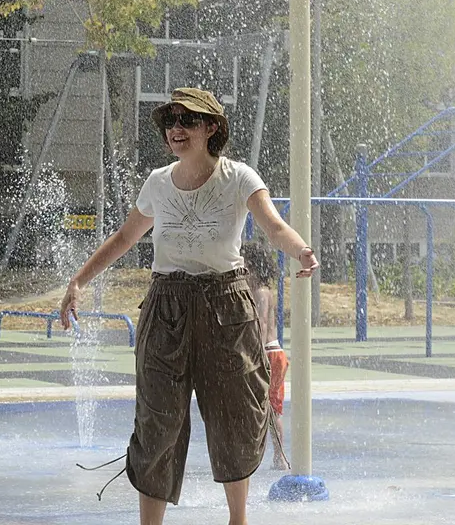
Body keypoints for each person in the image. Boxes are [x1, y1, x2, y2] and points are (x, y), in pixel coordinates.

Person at [59, 87, 318, 525]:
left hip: (226, 306)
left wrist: (302, 251)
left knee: (235, 416)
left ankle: (239, 519)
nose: (175, 130)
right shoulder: (158, 183)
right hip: (167, 308)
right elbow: (125, 239)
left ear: (211, 127)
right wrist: (78, 280)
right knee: (158, 422)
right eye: (170, 122)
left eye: (186, 121)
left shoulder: (239, 178)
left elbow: (272, 225)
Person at [239, 237, 291, 471]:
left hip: (269, 354)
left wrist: (253, 357)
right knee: (259, 407)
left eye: (243, 266)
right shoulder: (254, 290)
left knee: (271, 409)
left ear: (252, 266)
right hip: (266, 353)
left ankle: (279, 456)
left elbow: (259, 325)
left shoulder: (261, 292)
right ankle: (258, 454)